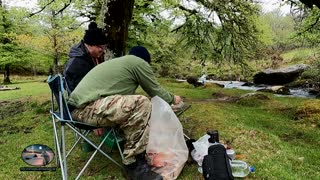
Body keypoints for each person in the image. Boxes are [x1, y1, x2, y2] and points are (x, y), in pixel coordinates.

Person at [67, 46, 182, 179]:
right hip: (84, 109)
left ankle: (133, 149)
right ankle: (133, 165)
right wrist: (173, 98)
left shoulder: (121, 64)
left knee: (133, 103)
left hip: (79, 109)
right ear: (145, 61)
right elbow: (155, 90)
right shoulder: (138, 62)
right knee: (142, 103)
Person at [63, 22, 107, 93]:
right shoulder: (79, 63)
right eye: (100, 47)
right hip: (80, 100)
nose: (102, 50)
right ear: (89, 45)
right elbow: (82, 91)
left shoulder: (88, 57)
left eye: (104, 47)